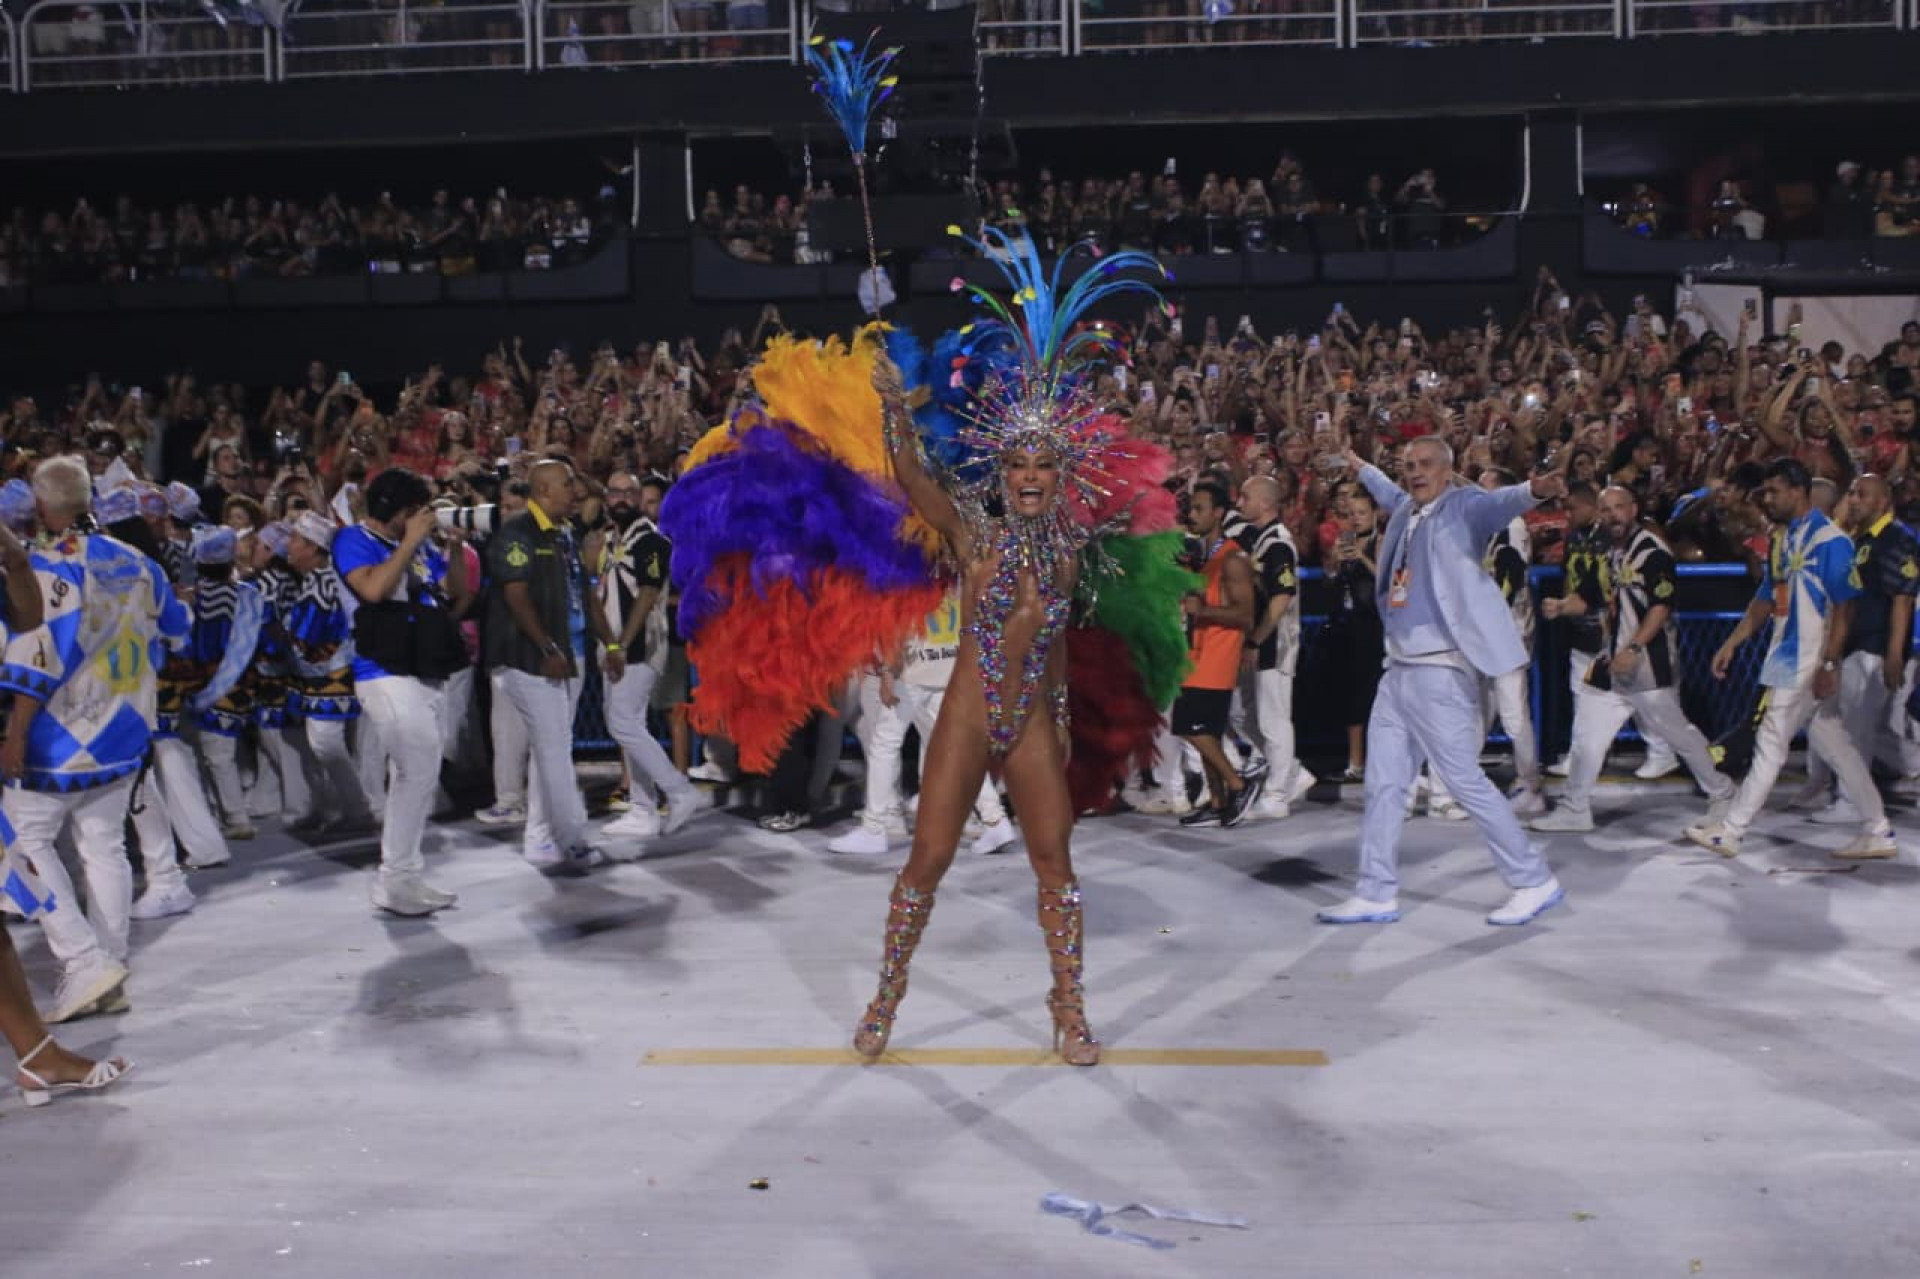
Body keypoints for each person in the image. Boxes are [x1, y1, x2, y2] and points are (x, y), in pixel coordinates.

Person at [1317, 438, 1567, 927]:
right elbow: (1389, 493)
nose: (1415, 472)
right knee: (1384, 783)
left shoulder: (1464, 507)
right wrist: (1360, 466)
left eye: (1426, 464)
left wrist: (1534, 490)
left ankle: (1534, 879)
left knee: (1464, 781)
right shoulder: (1408, 508)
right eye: (1408, 465)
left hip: (1440, 670)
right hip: (1398, 671)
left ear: (1449, 470)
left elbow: (1502, 503)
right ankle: (1376, 891)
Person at [0, 456, 189, 1022]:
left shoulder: (45, 569)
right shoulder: (138, 561)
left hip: (57, 736)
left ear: (40, 507)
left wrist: (15, 735)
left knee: (22, 842)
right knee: (103, 846)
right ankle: (109, 969)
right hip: (127, 728)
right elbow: (177, 630)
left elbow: (36, 657)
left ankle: (84, 962)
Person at [1685, 459, 1897, 860]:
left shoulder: (1831, 541)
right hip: (1788, 655)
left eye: (1774, 490)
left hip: (1808, 659)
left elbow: (1845, 608)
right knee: (1835, 744)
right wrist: (1732, 642)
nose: (1767, 498)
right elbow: (1765, 598)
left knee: (1770, 741)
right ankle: (1878, 829)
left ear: (1798, 491)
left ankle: (1731, 830)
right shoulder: (1783, 539)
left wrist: (1829, 663)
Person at [1530, 486, 1734, 832]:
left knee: (1679, 734)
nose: (1613, 516)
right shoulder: (1612, 553)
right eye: (1606, 510)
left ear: (1634, 508)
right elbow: (1594, 598)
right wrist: (1564, 606)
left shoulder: (1653, 552)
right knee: (1586, 734)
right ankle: (1575, 807)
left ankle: (1723, 793)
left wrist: (1634, 648)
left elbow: (1661, 605)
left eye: (1619, 508)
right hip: (1611, 666)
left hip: (1646, 666)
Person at [334, 467, 474, 915]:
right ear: (394, 510)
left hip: (423, 669)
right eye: (414, 511)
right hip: (384, 671)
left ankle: (403, 876)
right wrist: (412, 539)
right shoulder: (352, 540)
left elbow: (454, 593)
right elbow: (373, 589)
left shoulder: (414, 545)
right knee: (416, 768)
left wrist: (451, 550)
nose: (421, 519)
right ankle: (395, 880)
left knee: (418, 775)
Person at [484, 458, 613, 870]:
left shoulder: (565, 534)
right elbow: (516, 595)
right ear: (542, 491)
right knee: (555, 751)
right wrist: (546, 649)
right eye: (566, 484)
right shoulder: (517, 531)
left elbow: (584, 593)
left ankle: (542, 835)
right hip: (531, 660)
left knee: (553, 748)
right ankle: (566, 838)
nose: (574, 491)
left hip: (566, 657)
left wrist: (609, 645)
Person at [828, 593, 1019, 857]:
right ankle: (996, 821)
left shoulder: (912, 571)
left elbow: (899, 618)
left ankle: (874, 828)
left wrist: (887, 672)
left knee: (884, 743)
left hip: (912, 672)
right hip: (946, 667)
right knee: (958, 750)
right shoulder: (953, 569)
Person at [1789, 473, 1918, 825]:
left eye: (1862, 495)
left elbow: (1902, 598)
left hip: (1874, 648)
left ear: (1882, 502)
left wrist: (1893, 651)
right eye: (1852, 493)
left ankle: (1850, 803)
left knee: (1855, 730)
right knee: (1844, 722)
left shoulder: (1896, 539)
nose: (1854, 500)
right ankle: (1826, 785)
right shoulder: (1860, 539)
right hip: (1853, 646)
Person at [587, 470, 702, 842]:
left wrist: (622, 643)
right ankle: (642, 808)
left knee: (621, 721)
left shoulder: (652, 541)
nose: (620, 498)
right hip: (614, 646)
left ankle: (680, 790)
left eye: (628, 492)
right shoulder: (608, 539)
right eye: (614, 491)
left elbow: (648, 595)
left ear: (639, 498)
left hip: (639, 646)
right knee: (629, 722)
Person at [282, 510, 378, 833]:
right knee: (323, 746)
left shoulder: (324, 582)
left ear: (312, 547)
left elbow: (311, 634)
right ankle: (333, 809)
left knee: (326, 744)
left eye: (295, 539)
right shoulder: (318, 578)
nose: (289, 545)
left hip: (331, 674)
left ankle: (359, 810)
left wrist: (283, 634)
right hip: (320, 675)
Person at [1174, 479, 1261, 828]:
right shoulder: (1202, 559)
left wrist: (1203, 611)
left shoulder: (1234, 559)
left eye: (1199, 509)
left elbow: (1245, 615)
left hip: (1216, 661)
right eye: (1190, 509)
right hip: (1195, 656)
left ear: (1219, 513)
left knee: (1188, 726)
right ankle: (1219, 800)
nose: (1192, 515)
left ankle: (1240, 783)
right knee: (1205, 730)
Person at [1235, 474, 1313, 819]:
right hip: (1259, 643)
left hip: (1275, 644)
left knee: (1274, 720)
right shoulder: (1260, 540)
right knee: (1246, 715)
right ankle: (1294, 772)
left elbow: (1282, 596)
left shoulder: (1278, 543)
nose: (1240, 503)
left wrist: (1257, 638)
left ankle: (1278, 794)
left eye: (1245, 496)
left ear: (1265, 503)